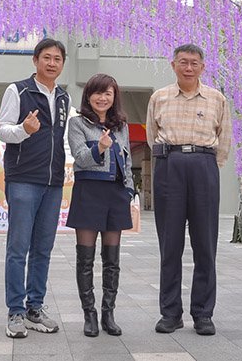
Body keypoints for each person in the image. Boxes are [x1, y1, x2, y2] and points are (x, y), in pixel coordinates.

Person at [146, 43, 230, 337]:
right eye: (183, 62)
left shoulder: (217, 99)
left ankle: (203, 314)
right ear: (173, 65)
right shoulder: (160, 97)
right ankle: (170, 313)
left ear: (203, 67)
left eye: (195, 63)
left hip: (204, 166)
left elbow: (225, 138)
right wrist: (172, 160)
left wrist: (208, 166)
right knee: (170, 244)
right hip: (170, 166)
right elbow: (150, 135)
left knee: (205, 244)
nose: (189, 67)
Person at [0, 37, 70, 339]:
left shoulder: (64, 97)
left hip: (53, 182)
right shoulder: (18, 90)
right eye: (46, 58)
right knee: (18, 248)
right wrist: (24, 130)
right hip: (24, 179)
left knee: (43, 249)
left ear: (63, 64)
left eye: (57, 59)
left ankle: (34, 308)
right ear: (35, 60)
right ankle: (15, 311)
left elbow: (61, 137)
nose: (52, 63)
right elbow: (2, 129)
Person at [66, 73, 134, 338]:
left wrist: (128, 190)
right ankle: (90, 315)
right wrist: (100, 148)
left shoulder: (121, 126)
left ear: (114, 96)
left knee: (112, 260)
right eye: (97, 92)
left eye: (108, 93)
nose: (102, 98)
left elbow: (126, 163)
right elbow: (80, 158)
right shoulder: (78, 123)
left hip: (116, 194)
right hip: (88, 192)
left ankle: (108, 314)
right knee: (85, 258)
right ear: (88, 96)